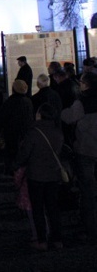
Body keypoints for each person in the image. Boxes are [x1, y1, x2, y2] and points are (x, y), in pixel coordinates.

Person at [15, 103, 64, 251]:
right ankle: (57, 239)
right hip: (53, 175)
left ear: (39, 115)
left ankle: (42, 240)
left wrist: (14, 165)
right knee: (53, 208)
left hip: (36, 175)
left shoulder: (33, 132)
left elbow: (24, 154)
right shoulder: (58, 132)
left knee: (37, 208)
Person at [61, 71, 97, 243]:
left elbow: (68, 118)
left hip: (86, 150)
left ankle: (91, 230)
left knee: (88, 192)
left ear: (86, 84)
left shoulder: (81, 102)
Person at [0, 80, 34, 174]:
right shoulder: (28, 101)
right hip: (25, 131)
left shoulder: (10, 102)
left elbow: (2, 117)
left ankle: (11, 170)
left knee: (11, 153)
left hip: (11, 132)